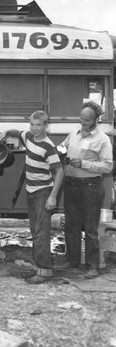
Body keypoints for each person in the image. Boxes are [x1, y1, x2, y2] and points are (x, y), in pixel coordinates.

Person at [0, 111, 64, 284]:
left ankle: (44, 272)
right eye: (32, 125)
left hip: (43, 192)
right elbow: (16, 132)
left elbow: (59, 171)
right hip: (31, 191)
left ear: (45, 126)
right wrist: (5, 133)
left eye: (38, 125)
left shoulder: (48, 146)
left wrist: (53, 196)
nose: (34, 129)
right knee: (35, 230)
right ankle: (39, 268)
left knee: (41, 232)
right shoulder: (28, 136)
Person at [56, 101, 113, 279]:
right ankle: (72, 261)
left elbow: (108, 166)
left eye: (87, 120)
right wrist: (61, 151)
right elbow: (63, 146)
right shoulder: (74, 133)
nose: (83, 122)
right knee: (71, 225)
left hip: (90, 186)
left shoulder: (103, 139)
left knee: (90, 227)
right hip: (71, 184)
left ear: (96, 119)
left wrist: (84, 164)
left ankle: (92, 265)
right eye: (81, 119)